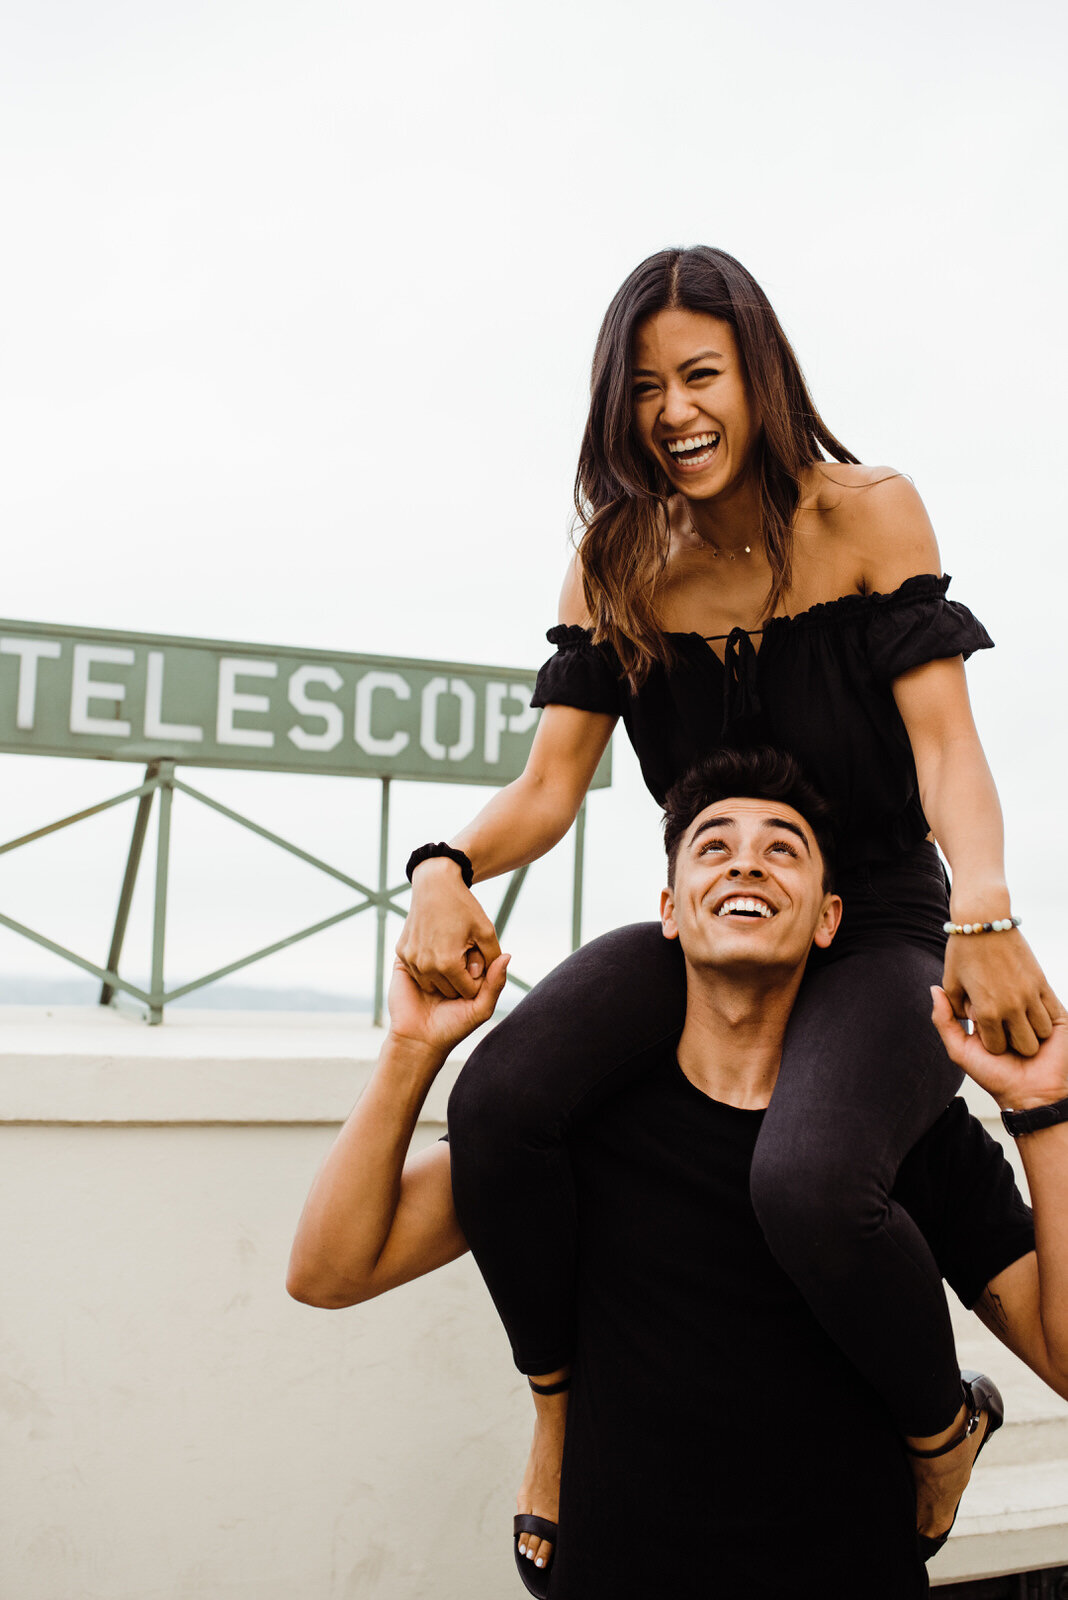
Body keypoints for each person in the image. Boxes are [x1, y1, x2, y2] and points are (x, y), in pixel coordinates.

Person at [394, 246, 1056, 1543]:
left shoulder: (869, 515)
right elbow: (547, 787)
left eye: (701, 374)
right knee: (503, 1102)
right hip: (706, 916)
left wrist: (984, 909)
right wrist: (442, 868)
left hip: (874, 918)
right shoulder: (616, 562)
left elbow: (946, 752)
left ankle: (942, 1424)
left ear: (759, 374)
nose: (675, 411)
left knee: (808, 1179)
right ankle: (558, 1405)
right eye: (644, 388)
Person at [289, 748, 1068, 1599]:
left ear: (828, 918)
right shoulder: (586, 1122)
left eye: (783, 848)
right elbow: (332, 1271)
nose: (745, 860)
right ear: (670, 908)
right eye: (712, 845)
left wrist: (1043, 1112)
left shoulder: (897, 1138)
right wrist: (412, 1049)